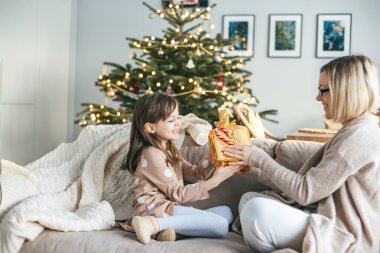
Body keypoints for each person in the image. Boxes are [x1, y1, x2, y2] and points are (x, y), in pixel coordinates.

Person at [223, 55, 380, 252]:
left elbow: (305, 192)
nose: (318, 97)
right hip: (325, 216)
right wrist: (250, 168)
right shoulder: (354, 130)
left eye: (323, 90)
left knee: (256, 210)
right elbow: (305, 184)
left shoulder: (359, 136)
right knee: (249, 200)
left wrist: (258, 158)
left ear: (346, 91)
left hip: (347, 235)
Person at [121, 92, 240, 244]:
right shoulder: (151, 154)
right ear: (150, 127)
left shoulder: (169, 149)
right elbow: (179, 194)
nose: (178, 123)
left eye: (178, 117)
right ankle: (151, 224)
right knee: (221, 225)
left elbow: (196, 173)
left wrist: (212, 155)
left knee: (226, 212)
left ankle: (170, 231)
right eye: (171, 120)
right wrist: (217, 179)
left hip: (168, 208)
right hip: (154, 210)